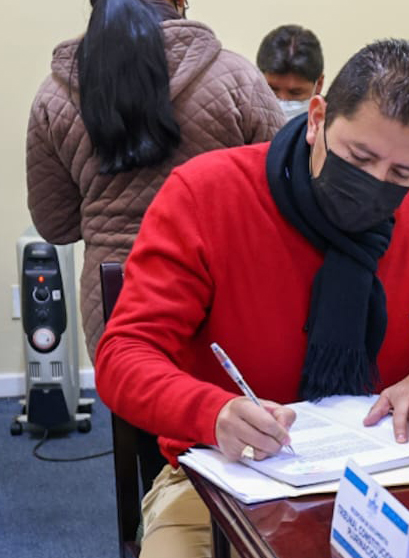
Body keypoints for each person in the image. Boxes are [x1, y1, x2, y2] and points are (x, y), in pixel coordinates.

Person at [95, 39, 409, 558]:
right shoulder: (207, 194)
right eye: (359, 156)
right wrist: (213, 411)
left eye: (400, 173)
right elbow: (123, 355)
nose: (375, 185)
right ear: (316, 119)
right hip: (217, 478)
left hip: (383, 483)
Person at [26, 0, 284, 358]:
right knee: (227, 408)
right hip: (222, 290)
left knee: (137, 404)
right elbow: (284, 191)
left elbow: (56, 225)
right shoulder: (235, 78)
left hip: (115, 297)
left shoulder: (52, 97)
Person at [256, 24, 324, 119]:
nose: (282, 101)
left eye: (295, 93)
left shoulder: (332, 129)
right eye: (272, 90)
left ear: (319, 85)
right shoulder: (240, 121)